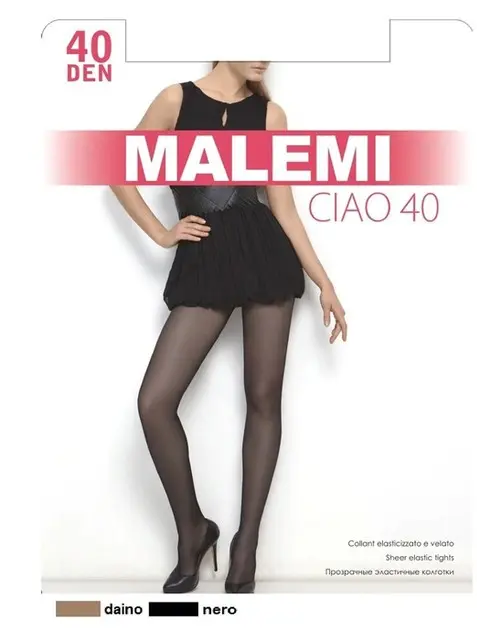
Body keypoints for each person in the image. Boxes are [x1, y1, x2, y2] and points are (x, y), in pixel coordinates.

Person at [110, 61, 347, 594]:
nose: (263, 56)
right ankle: (193, 530)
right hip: (205, 259)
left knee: (263, 399)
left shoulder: (270, 115)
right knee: (154, 403)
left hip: (265, 256)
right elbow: (118, 171)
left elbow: (283, 207)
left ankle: (247, 545)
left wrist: (325, 282)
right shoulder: (175, 99)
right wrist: (162, 233)